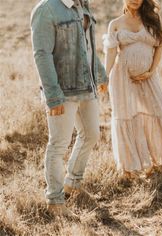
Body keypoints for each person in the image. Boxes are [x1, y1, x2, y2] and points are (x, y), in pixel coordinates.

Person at [31, 0, 107, 217]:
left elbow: (88, 46)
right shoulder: (46, 9)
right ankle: (55, 201)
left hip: (86, 85)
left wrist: (100, 74)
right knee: (57, 145)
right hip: (63, 91)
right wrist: (53, 96)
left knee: (91, 134)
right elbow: (41, 55)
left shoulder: (83, 5)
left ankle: (73, 182)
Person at [103, 0, 162, 179]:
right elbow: (111, 53)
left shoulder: (152, 19)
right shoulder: (115, 24)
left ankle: (160, 160)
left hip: (148, 78)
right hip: (122, 78)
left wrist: (151, 71)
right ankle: (130, 167)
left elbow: (159, 46)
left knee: (158, 113)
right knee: (126, 117)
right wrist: (104, 77)